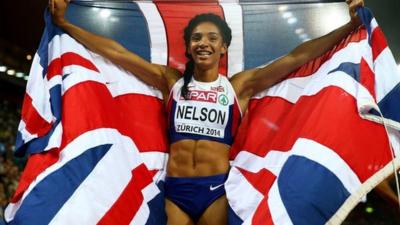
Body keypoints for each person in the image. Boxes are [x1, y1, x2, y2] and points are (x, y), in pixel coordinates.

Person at [49, 0, 364, 224]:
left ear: (223, 47)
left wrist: (350, 25)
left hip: (215, 190)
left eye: (212, 38)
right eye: (197, 38)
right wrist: (65, 24)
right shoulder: (169, 81)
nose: (204, 43)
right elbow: (116, 53)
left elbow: (298, 56)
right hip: (176, 190)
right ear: (188, 47)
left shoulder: (239, 86)